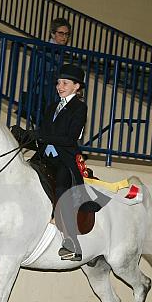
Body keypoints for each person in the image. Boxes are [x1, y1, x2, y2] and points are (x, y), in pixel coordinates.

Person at [33, 63, 87, 261]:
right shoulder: (51, 107)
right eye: (58, 83)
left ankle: (71, 242)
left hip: (65, 158)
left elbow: (70, 138)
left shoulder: (79, 108)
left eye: (65, 83)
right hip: (45, 157)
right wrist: (28, 136)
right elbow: (43, 133)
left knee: (63, 184)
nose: (59, 86)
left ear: (76, 86)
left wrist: (42, 135)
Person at [18, 17, 73, 125]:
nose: (64, 37)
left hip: (48, 90)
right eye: (61, 33)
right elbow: (36, 73)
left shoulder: (58, 51)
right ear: (53, 34)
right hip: (43, 90)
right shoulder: (43, 49)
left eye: (67, 34)